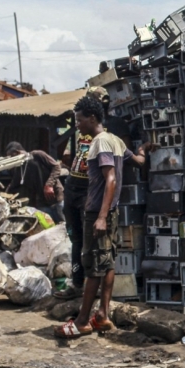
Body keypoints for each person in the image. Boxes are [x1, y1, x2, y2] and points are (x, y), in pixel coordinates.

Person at [54, 96, 148, 338]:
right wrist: (143, 150)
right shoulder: (115, 141)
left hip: (98, 211)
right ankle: (103, 316)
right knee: (107, 264)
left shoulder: (100, 143)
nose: (77, 125)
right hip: (110, 212)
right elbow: (136, 162)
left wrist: (101, 217)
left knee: (93, 266)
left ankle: (82, 322)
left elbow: (111, 179)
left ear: (92, 118)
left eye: (79, 119)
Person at [56, 86, 132, 300]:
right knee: (77, 240)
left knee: (94, 248)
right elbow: (69, 155)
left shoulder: (110, 131)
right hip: (73, 187)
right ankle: (77, 285)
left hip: (91, 191)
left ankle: (91, 297)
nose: (79, 122)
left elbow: (120, 164)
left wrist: (102, 214)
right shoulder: (81, 128)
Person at [5, 142, 65, 223]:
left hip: (56, 197)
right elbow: (13, 185)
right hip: (41, 202)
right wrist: (3, 198)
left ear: (18, 152)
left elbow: (56, 166)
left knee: (64, 224)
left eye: (12, 156)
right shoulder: (20, 167)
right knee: (48, 226)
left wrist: (49, 185)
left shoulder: (37, 155)